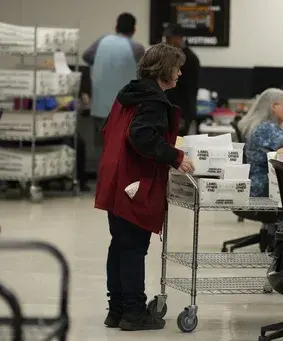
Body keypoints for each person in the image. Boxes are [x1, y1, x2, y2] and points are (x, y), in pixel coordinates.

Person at [94, 44, 195, 331]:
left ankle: (116, 310)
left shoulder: (129, 94)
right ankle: (134, 313)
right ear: (164, 69)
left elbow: (110, 130)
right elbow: (142, 137)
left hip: (115, 178)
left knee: (120, 245)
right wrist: (176, 157)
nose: (179, 72)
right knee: (134, 248)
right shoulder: (153, 101)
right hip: (135, 182)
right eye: (176, 67)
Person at [82, 12, 145, 167]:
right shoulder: (137, 48)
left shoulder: (101, 42)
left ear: (116, 26)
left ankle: (101, 183)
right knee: (124, 148)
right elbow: (145, 70)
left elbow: (86, 56)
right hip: (125, 109)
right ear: (134, 29)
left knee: (102, 148)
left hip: (100, 107)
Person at [239, 88, 283, 198]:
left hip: (257, 184)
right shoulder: (266, 129)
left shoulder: (261, 125)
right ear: (274, 107)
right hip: (264, 188)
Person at [164, 24, 200, 136]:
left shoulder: (189, 59)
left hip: (181, 110)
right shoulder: (167, 55)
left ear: (180, 38)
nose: (167, 42)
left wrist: (185, 115)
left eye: (170, 39)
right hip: (168, 108)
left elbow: (189, 89)